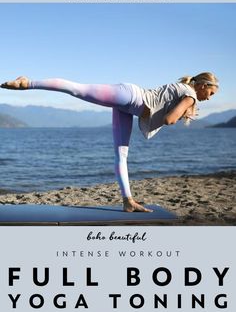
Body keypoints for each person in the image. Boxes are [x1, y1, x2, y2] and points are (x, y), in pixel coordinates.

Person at [0, 72, 219, 212]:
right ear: (202, 85)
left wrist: (184, 110)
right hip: (131, 97)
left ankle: (127, 201)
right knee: (79, 89)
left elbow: (166, 114)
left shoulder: (187, 93)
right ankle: (27, 83)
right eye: (210, 92)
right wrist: (184, 111)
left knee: (121, 154)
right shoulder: (189, 95)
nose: (209, 98)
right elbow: (170, 120)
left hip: (130, 107)